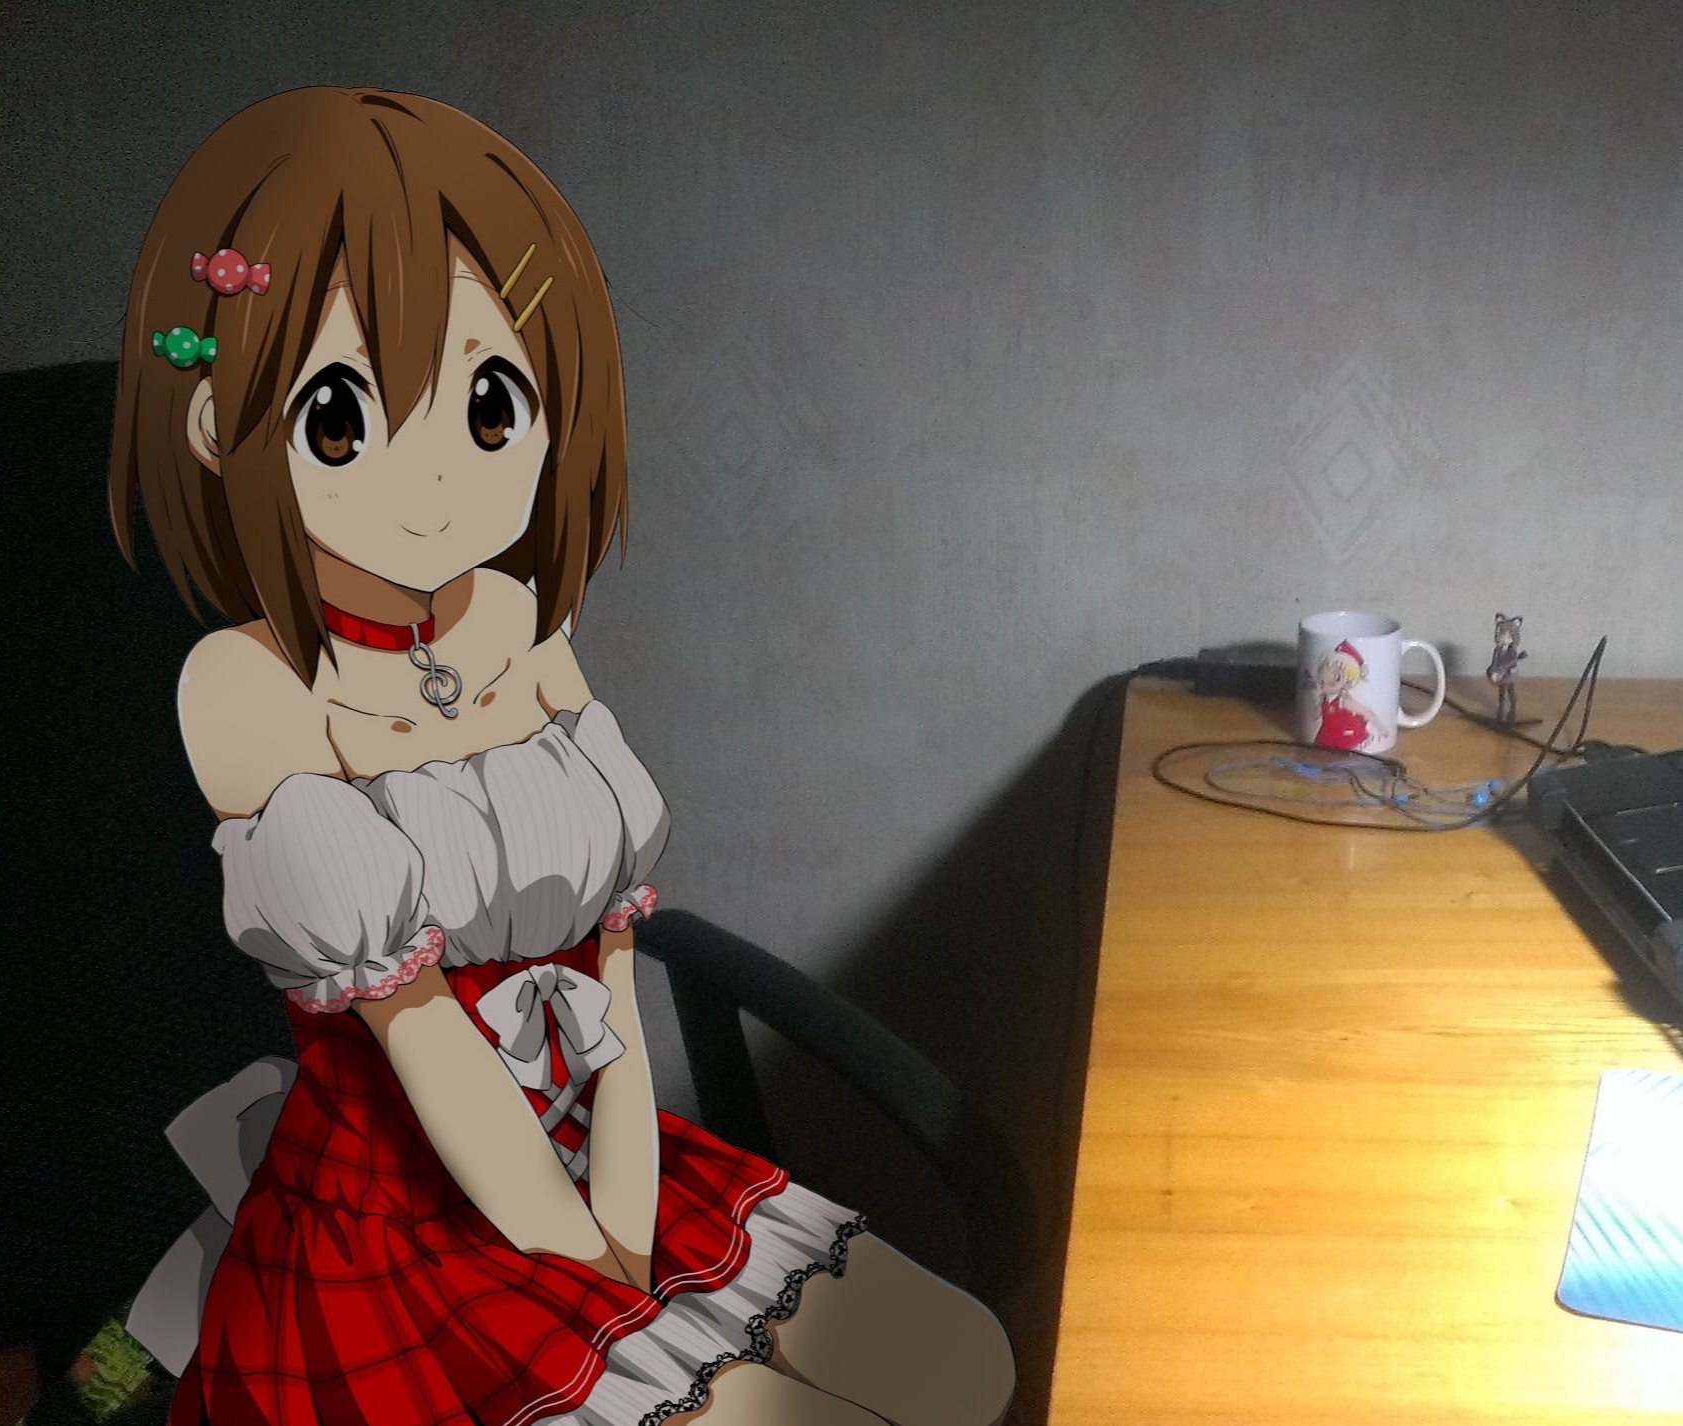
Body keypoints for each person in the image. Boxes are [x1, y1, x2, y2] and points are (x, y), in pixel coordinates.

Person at [111, 88, 1012, 1426]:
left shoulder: (524, 621)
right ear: (216, 429)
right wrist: (589, 1265)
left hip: (595, 1142)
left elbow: (609, 968)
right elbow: (420, 1036)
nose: (437, 480)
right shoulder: (246, 685)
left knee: (965, 1364)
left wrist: (630, 1217)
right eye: (344, 417)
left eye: (489, 402)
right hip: (410, 1209)